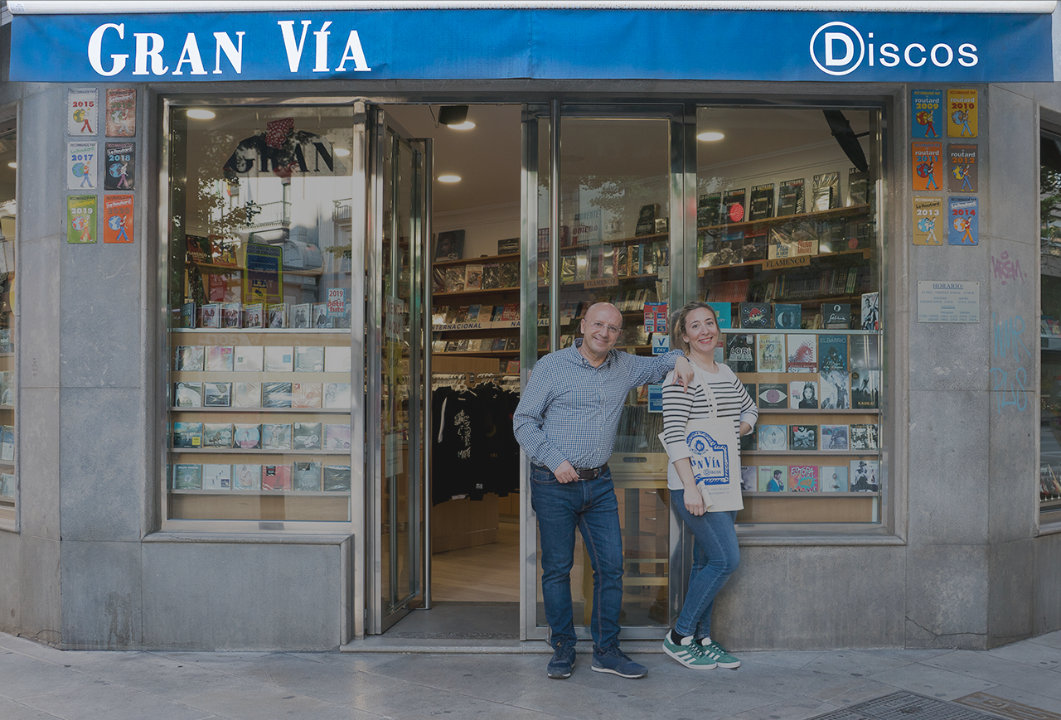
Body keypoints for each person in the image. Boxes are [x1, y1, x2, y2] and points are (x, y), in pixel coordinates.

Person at [513, 302, 694, 680]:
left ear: (619, 334)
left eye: (612, 328)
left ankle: (606, 650)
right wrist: (555, 460)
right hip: (553, 482)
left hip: (598, 483)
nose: (604, 333)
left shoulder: (624, 365)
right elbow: (524, 421)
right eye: (598, 324)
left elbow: (661, 363)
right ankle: (563, 645)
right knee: (557, 568)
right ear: (582, 326)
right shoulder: (551, 366)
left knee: (611, 567)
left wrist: (679, 359)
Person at [658, 302, 757, 670]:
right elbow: (673, 434)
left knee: (705, 562)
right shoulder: (680, 377)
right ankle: (679, 635)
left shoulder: (726, 372)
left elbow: (750, 410)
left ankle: (701, 639)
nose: (704, 331)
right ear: (684, 336)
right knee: (726, 559)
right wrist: (690, 487)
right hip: (695, 484)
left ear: (718, 329)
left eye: (709, 323)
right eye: (695, 326)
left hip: (726, 481)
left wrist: (735, 430)